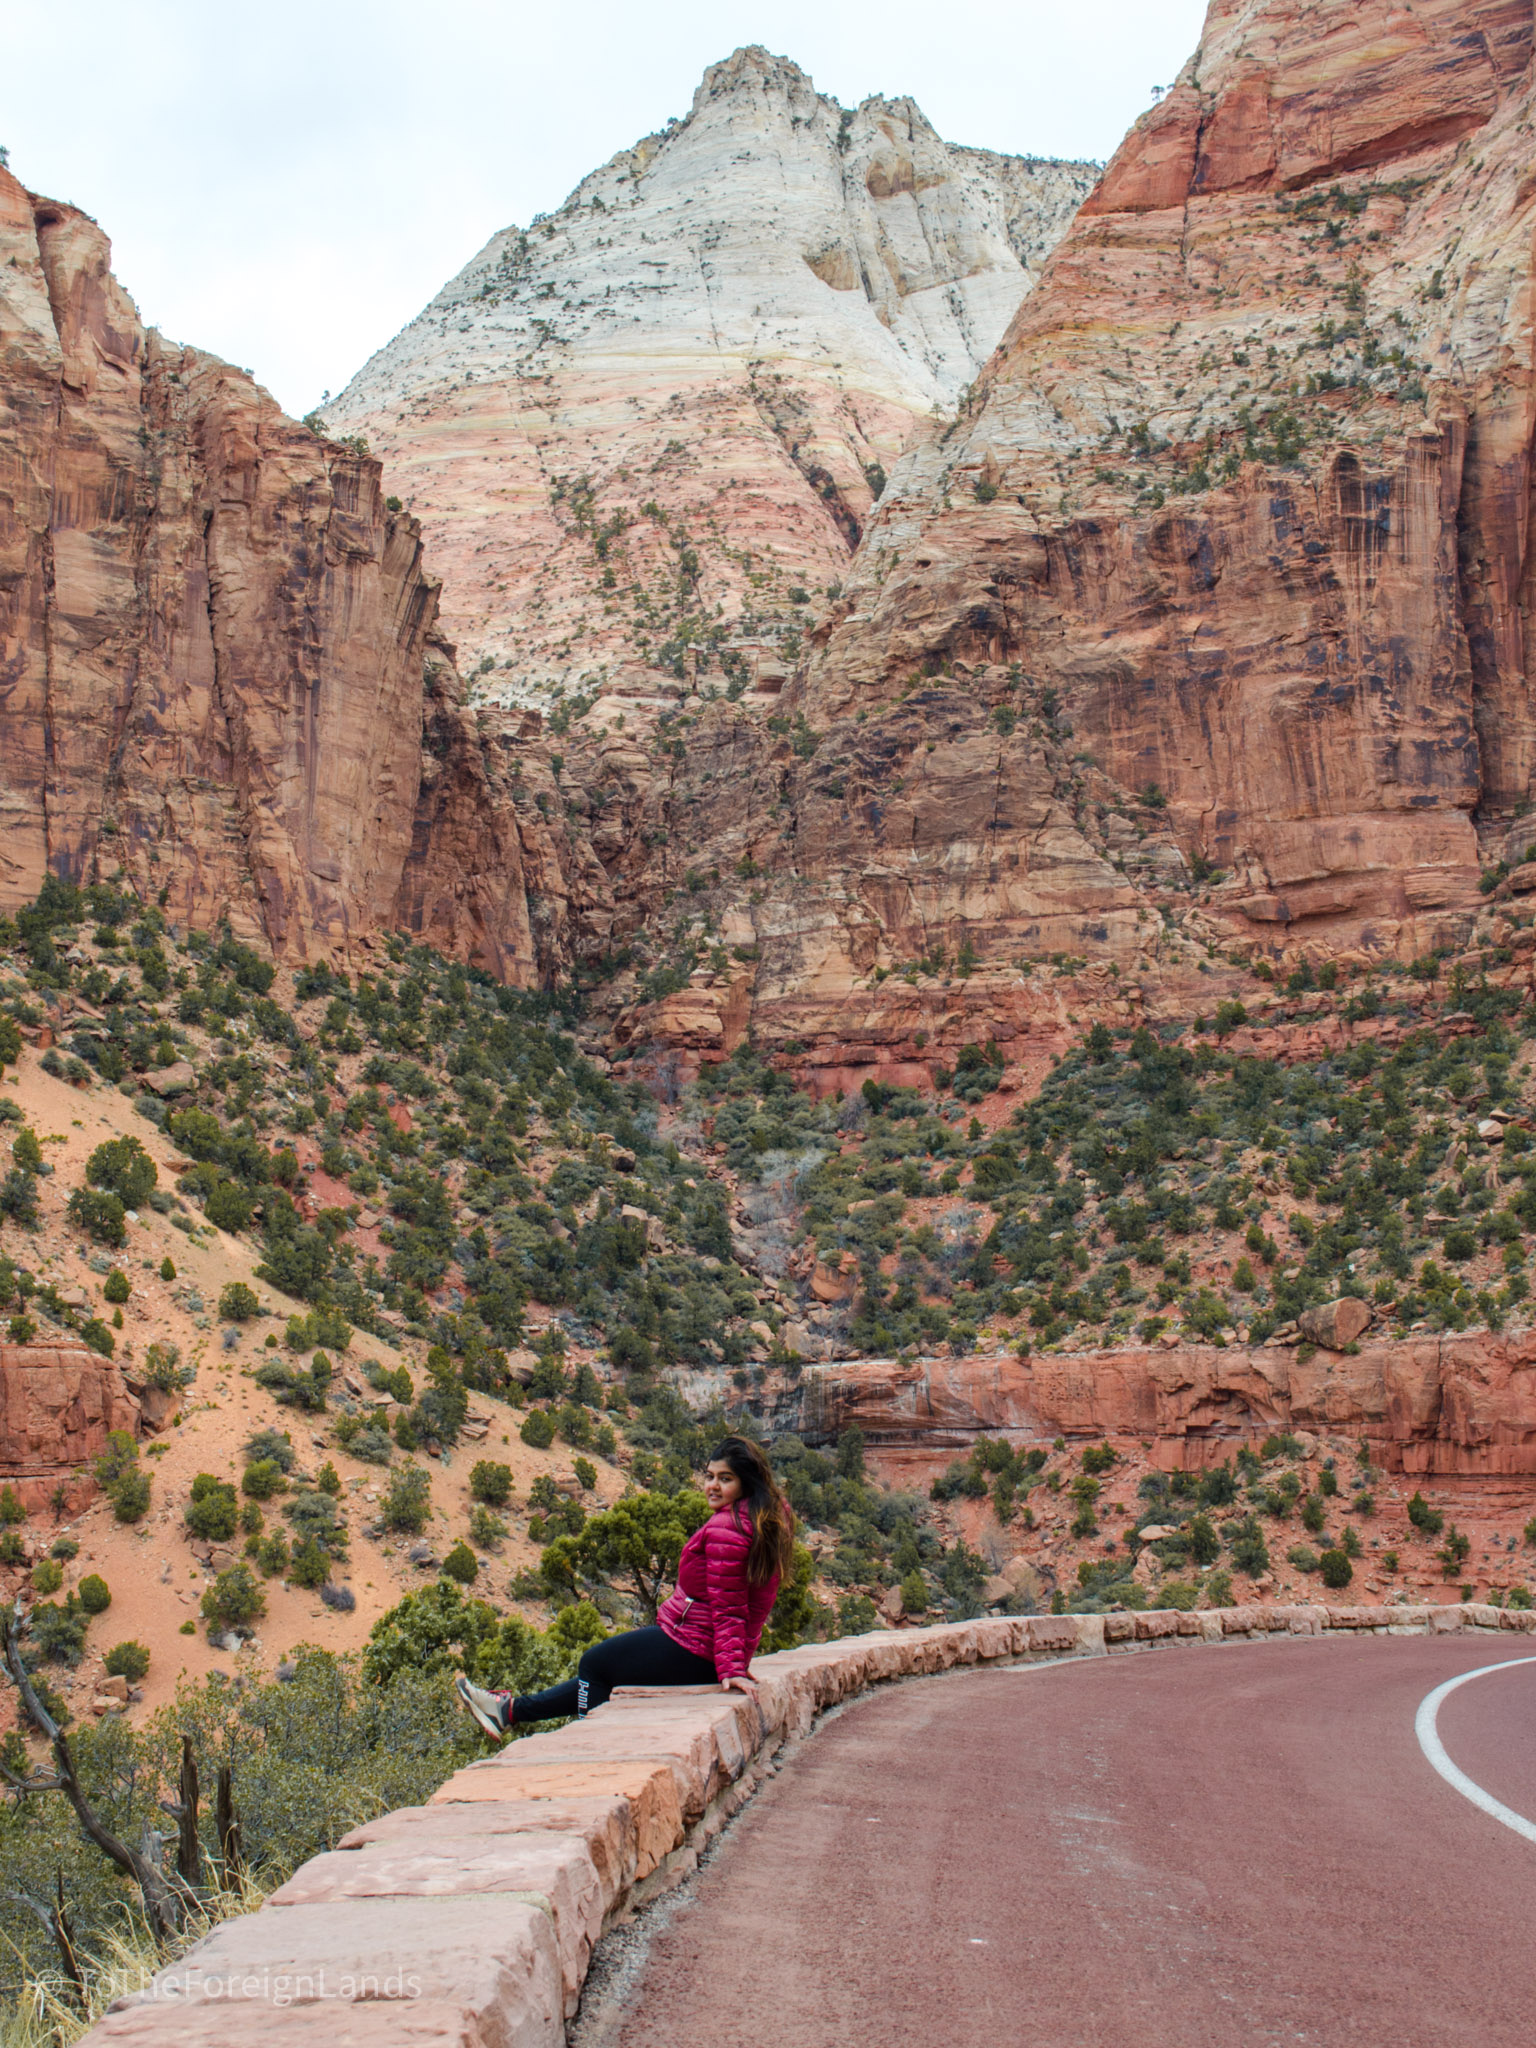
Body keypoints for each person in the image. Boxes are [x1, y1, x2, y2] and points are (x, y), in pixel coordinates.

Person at [456, 1435, 794, 1736]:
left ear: (746, 1484)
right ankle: (510, 1711)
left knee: (594, 1663)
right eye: (709, 1476)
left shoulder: (729, 1528)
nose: (713, 1486)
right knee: (602, 1673)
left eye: (726, 1479)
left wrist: (732, 1667)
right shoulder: (759, 1517)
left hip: (698, 1647)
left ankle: (593, 1744)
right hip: (702, 1642)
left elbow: (731, 1604)